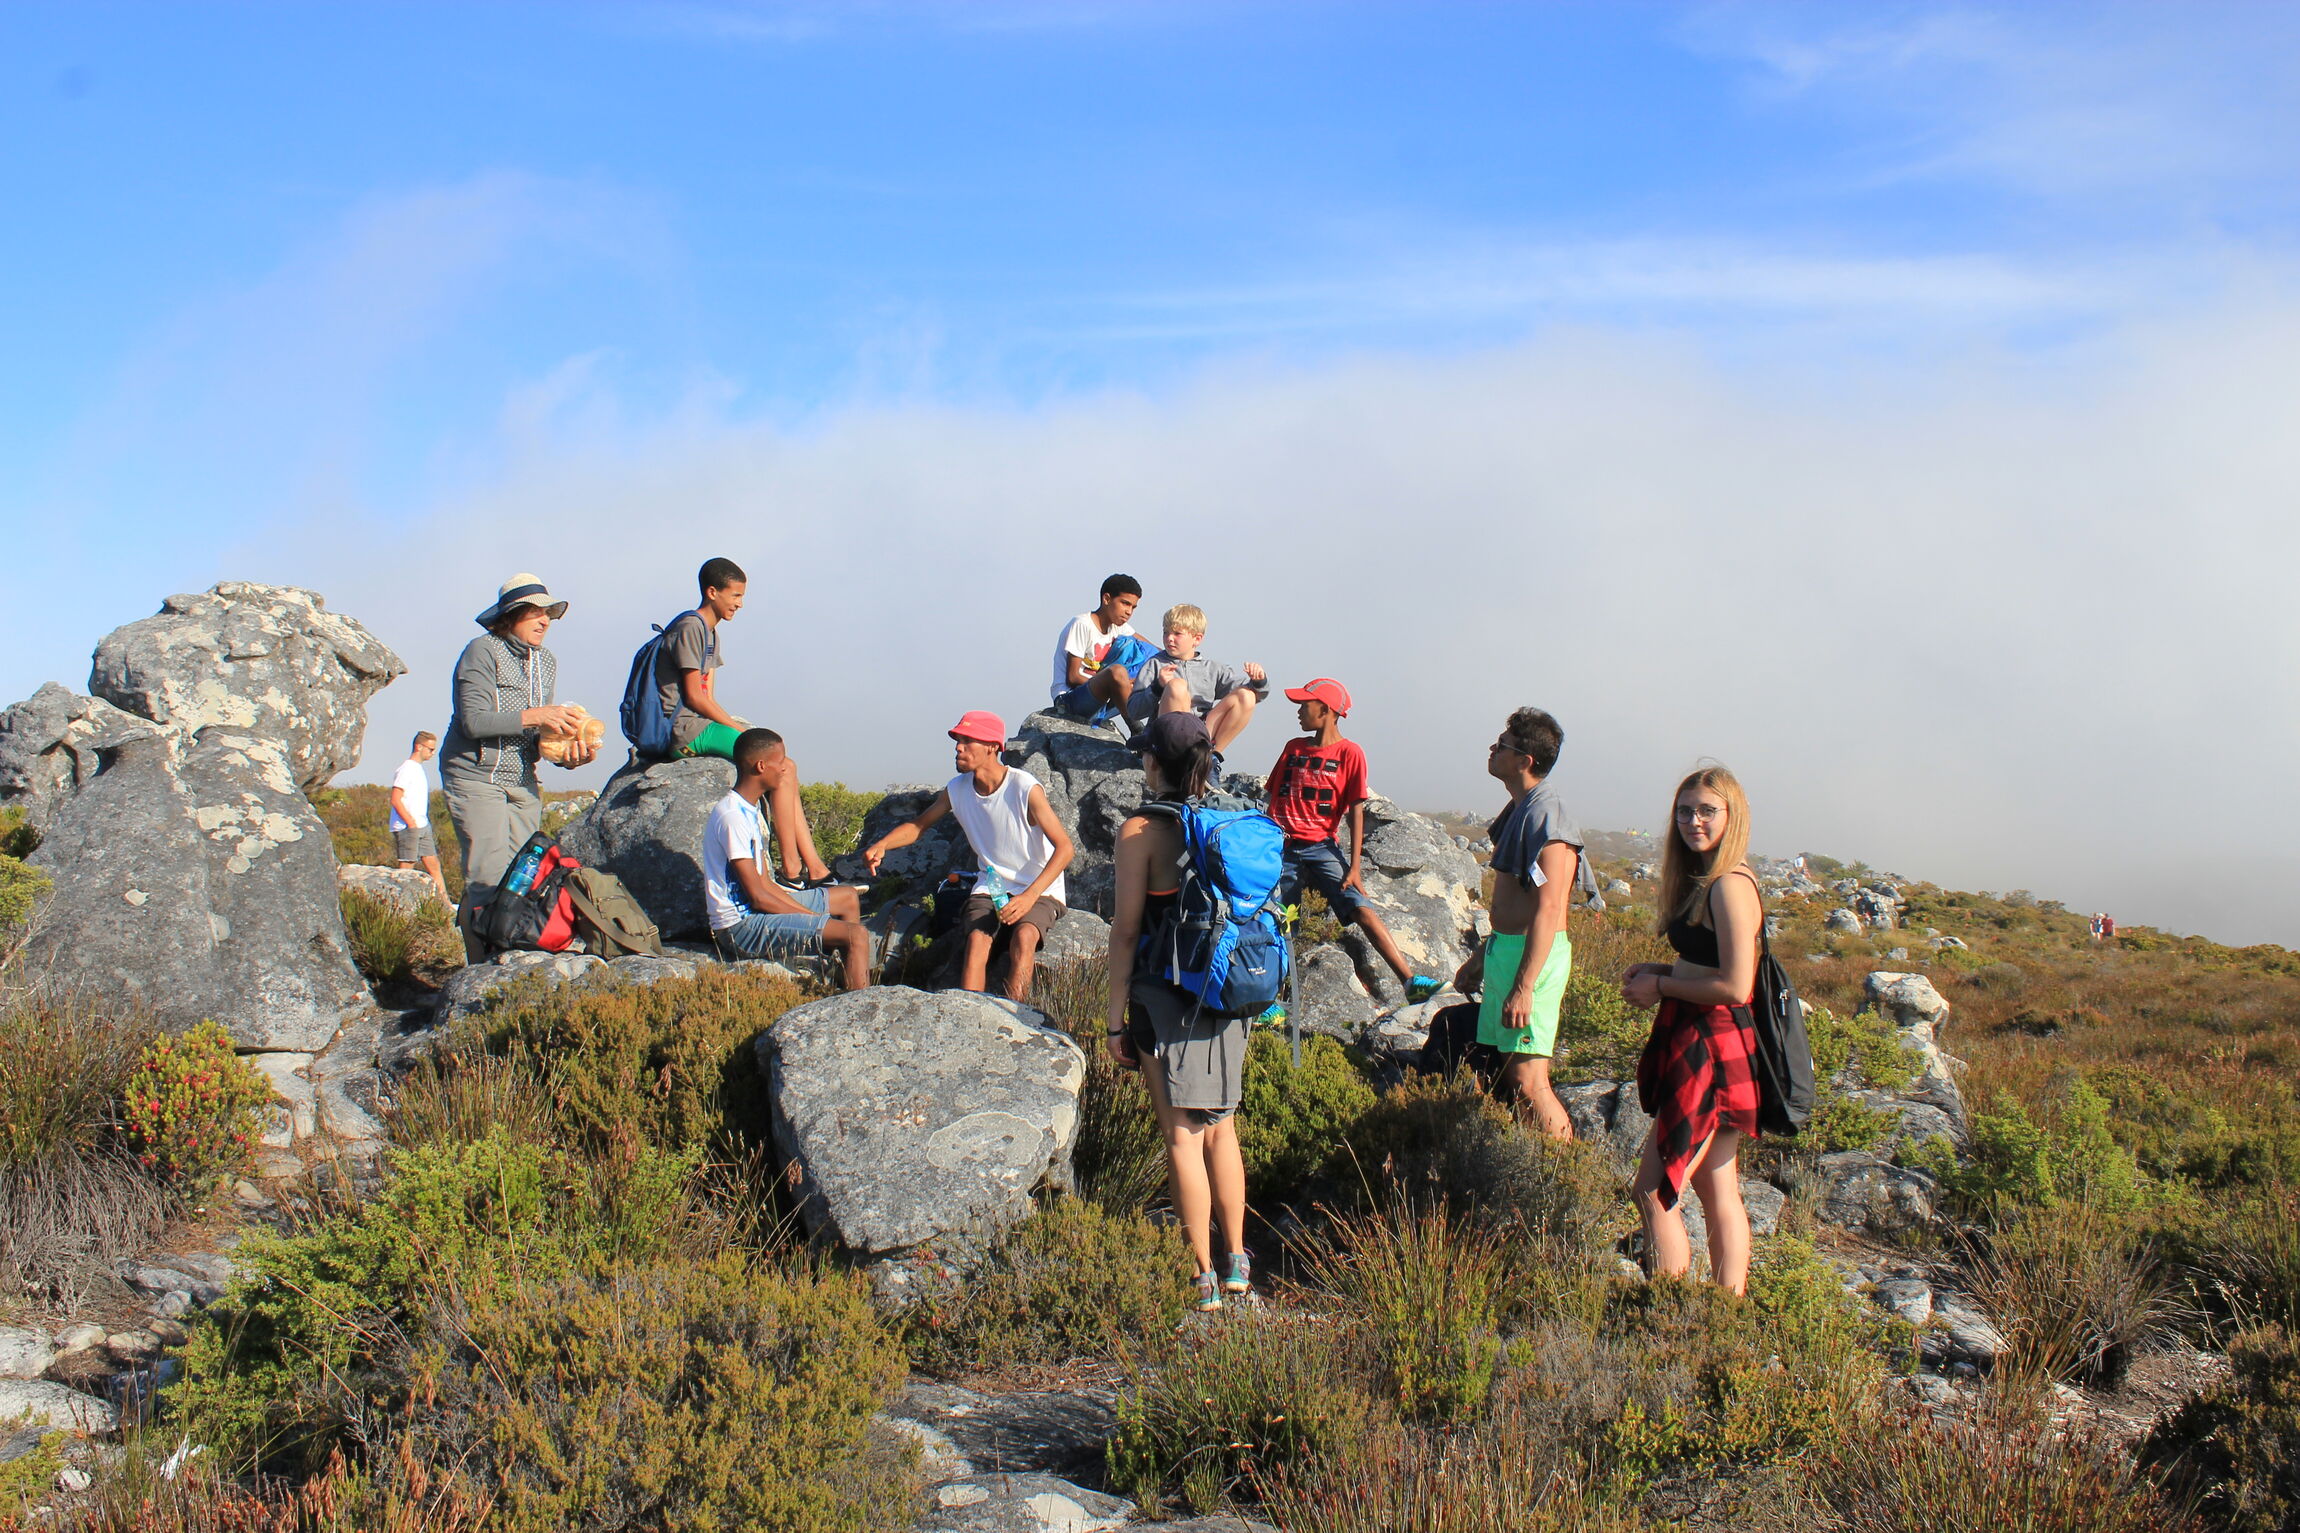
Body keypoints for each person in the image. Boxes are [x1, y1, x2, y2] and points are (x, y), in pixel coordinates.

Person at [1106, 710, 1250, 1313]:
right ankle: (1238, 1263)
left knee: (1180, 1138)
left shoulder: (1140, 831)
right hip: (1227, 997)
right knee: (1221, 1131)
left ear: (1154, 763)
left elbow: (1125, 930)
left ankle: (1201, 1279)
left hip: (1165, 999)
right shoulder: (1228, 821)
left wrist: (1115, 1018)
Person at [1619, 764, 1764, 1295]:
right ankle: (1726, 1313)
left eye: (1707, 810)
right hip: (1706, 1042)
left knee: (1654, 1190)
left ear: (1732, 815)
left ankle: (1672, 1315)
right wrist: (1660, 972)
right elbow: (1709, 966)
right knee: (1716, 1185)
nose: (1693, 820)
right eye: (1684, 810)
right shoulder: (1707, 881)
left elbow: (1734, 986)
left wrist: (1662, 989)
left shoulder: (1729, 886)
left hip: (1712, 1048)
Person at [645, 556, 838, 885]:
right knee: (782, 766)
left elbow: (709, 696)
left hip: (699, 723)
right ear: (712, 592)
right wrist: (737, 730)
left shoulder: (711, 633)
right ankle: (794, 869)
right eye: (734, 595)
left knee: (781, 761)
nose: (740, 603)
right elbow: (695, 697)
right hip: (686, 732)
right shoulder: (692, 627)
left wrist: (735, 727)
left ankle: (813, 868)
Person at [861, 711, 1077, 1002]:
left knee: (1024, 938)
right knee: (976, 939)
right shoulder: (957, 790)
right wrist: (883, 844)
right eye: (957, 740)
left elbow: (1065, 848)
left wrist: (1028, 898)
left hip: (1040, 888)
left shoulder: (1024, 788)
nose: (958, 747)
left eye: (966, 740)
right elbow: (919, 826)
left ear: (992, 747)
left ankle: (1017, 1019)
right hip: (992, 885)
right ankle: (969, 1013)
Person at [439, 575, 598, 960]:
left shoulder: (546, 661)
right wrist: (536, 714)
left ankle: (508, 960)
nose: (544, 620)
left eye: (548, 613)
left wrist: (572, 754)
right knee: (487, 876)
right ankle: (477, 969)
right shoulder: (482, 651)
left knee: (525, 877)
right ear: (510, 615)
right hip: (475, 775)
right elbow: (473, 722)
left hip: (523, 779)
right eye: (535, 612)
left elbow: (538, 736)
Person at [1264, 677, 1439, 1005]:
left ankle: (1410, 981)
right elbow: (1272, 795)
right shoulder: (1293, 748)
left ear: (1327, 710)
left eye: (1305, 704)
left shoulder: (1350, 753)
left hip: (1320, 846)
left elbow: (1355, 812)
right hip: (1283, 847)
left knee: (1362, 908)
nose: (1299, 711)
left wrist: (1355, 866)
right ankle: (1273, 1001)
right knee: (1284, 922)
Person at [1450, 707, 1582, 1139]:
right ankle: (1531, 1165)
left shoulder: (1549, 817)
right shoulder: (1522, 809)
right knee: (1510, 1073)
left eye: (1502, 745)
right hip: (1508, 953)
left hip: (1533, 960)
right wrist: (1483, 957)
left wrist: (1524, 985)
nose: (1493, 749)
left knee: (1530, 1081)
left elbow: (1548, 909)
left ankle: (1565, 1177)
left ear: (1524, 760)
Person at [702, 728, 871, 991]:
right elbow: (757, 896)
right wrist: (813, 919)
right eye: (779, 761)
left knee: (847, 897)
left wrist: (813, 919)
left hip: (755, 911)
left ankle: (845, 975)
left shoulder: (750, 807)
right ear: (760, 766)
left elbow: (765, 883)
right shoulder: (732, 817)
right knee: (856, 935)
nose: (784, 768)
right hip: (739, 927)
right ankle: (858, 1008)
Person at [1126, 603, 1269, 764]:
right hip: (1168, 737)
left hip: (1202, 734)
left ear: (1197, 639)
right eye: (1166, 632)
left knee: (1246, 695)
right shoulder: (1155, 665)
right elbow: (1134, 712)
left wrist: (1258, 680)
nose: (1169, 638)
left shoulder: (1213, 669)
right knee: (1177, 686)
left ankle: (1212, 759)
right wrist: (1157, 687)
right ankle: (1169, 758)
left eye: (1177, 633)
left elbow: (1257, 695)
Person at [1048, 574, 1143, 722]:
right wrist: (1115, 684)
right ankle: (1137, 729)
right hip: (1069, 700)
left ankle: (1161, 735)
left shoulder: (1118, 627)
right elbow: (1073, 677)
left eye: (1133, 607)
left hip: (1099, 698)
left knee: (1158, 676)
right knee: (1117, 673)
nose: (1129, 612)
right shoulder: (1082, 624)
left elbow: (1151, 649)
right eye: (1125, 603)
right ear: (1106, 599)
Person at [388, 731, 449, 907]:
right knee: (407, 868)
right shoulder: (406, 769)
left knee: (434, 865)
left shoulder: (418, 769)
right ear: (419, 747)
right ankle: (398, 907)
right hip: (408, 826)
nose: (432, 753)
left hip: (422, 825)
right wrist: (410, 822)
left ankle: (444, 905)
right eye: (430, 749)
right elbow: (395, 799)